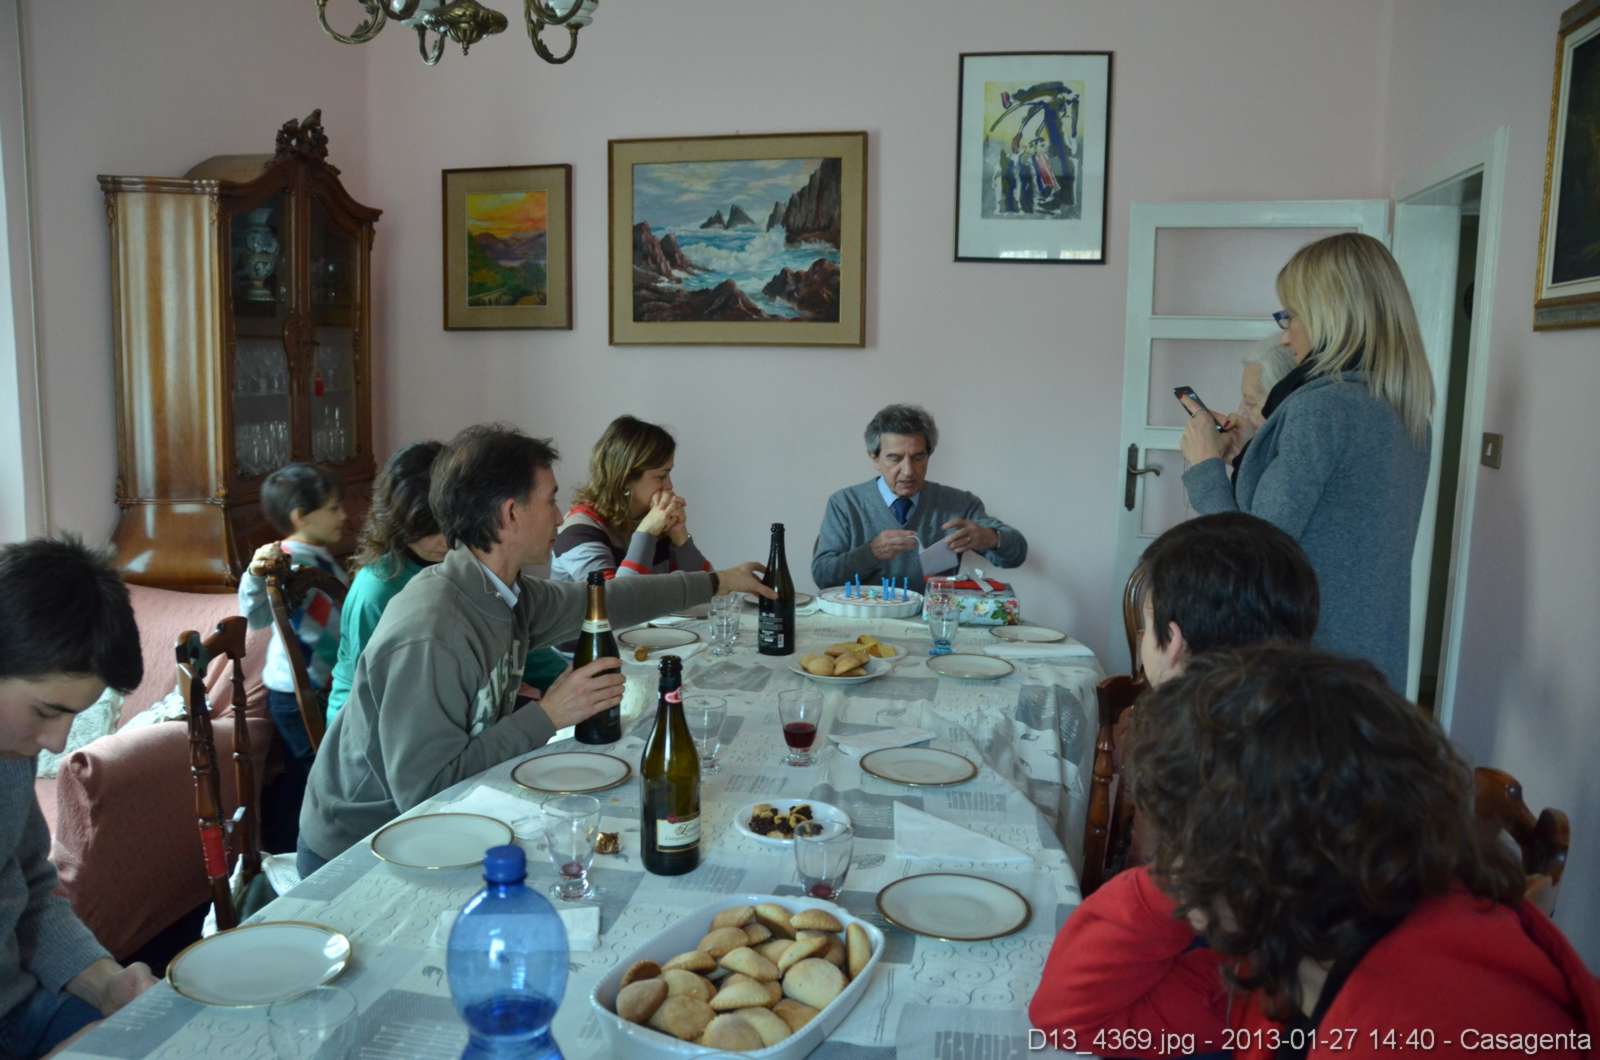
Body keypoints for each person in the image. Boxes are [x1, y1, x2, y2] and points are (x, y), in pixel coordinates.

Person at [1031, 646, 1600, 1058]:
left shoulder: (1412, 1018)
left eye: (1175, 839)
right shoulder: (1308, 938)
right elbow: (1073, 1017)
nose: (1163, 864)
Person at [297, 424, 773, 874]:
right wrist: (548, 715)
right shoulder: (433, 628)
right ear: (510, 514)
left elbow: (609, 600)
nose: (561, 517)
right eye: (550, 500)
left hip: (437, 822)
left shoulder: (504, 591)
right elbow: (426, 790)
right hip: (360, 846)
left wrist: (716, 582)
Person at [1180, 233, 1434, 690]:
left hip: (1305, 668)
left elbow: (1252, 559)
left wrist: (1204, 468)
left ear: (1331, 315)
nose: (1285, 335)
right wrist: (1251, 454)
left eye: (1291, 315)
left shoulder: (1322, 409)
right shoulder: (1404, 411)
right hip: (1369, 662)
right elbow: (1333, 523)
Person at [0, 538, 157, 1058]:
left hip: (21, 1008)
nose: (57, 742)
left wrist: (107, 984)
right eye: (46, 711)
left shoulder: (10, 753)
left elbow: (33, 893)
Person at [237, 463, 349, 834]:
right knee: (314, 777)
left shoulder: (318, 554)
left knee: (306, 775)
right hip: (298, 693)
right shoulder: (285, 559)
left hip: (320, 687)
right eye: (333, 508)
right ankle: (292, 842)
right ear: (301, 516)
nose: (343, 516)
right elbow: (255, 615)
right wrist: (254, 574)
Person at [812, 404, 1027, 593]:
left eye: (918, 458)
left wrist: (991, 538)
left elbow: (1017, 554)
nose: (908, 471)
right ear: (874, 458)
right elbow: (823, 576)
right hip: (862, 620)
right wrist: (870, 553)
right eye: (895, 458)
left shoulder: (960, 504)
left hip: (932, 619)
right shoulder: (845, 504)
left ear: (929, 456)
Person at [324, 442, 448, 725]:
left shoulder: (463, 561)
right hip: (365, 722)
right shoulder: (378, 588)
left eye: (448, 524)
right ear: (399, 520)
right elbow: (372, 692)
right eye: (427, 529)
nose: (444, 541)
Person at [551, 415, 713, 584]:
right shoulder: (578, 531)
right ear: (626, 478)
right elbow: (615, 597)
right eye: (661, 476)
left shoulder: (652, 520)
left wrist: (680, 538)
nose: (669, 486)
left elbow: (709, 589)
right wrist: (646, 533)